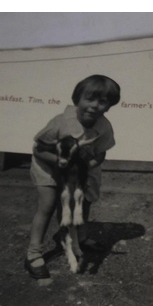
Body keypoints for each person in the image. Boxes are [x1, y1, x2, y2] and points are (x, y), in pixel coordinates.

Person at [25, 74, 120, 279]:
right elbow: (38, 149)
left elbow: (101, 153)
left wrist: (87, 167)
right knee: (48, 205)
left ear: (109, 106)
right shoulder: (61, 123)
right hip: (49, 166)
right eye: (89, 99)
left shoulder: (104, 127)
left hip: (81, 167)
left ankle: (80, 237)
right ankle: (33, 252)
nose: (94, 106)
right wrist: (63, 164)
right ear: (77, 99)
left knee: (83, 202)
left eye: (102, 102)